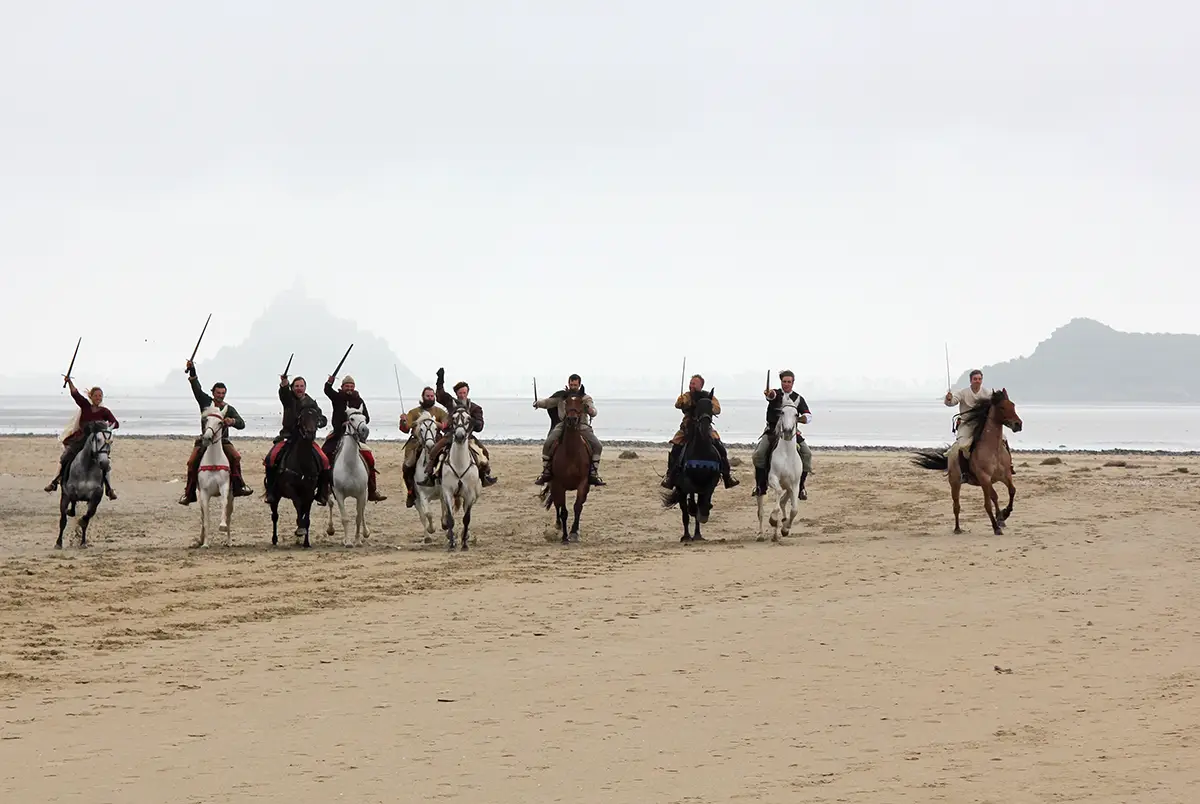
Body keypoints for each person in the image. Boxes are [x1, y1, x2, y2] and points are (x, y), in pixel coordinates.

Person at [177, 360, 253, 505]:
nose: (220, 396)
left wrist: (232, 421)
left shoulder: (228, 408)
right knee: (191, 462)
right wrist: (192, 370)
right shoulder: (205, 402)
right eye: (218, 393)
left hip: (222, 441)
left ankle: (239, 485)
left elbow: (242, 423)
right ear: (213, 393)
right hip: (204, 440)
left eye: (223, 393)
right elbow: (196, 387)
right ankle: (189, 493)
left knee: (236, 457)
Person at [661, 374, 739, 490]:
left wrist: (707, 406)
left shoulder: (709, 396)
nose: (691, 385)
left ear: (700, 385)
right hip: (688, 427)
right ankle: (670, 476)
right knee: (676, 448)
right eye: (690, 383)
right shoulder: (687, 396)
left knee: (719, 446)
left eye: (694, 383)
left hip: (705, 426)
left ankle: (727, 476)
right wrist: (681, 402)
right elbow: (679, 405)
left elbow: (717, 409)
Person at [45, 378, 119, 499]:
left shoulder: (105, 411)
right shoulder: (85, 406)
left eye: (100, 396)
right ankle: (55, 482)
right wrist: (69, 382)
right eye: (96, 395)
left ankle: (109, 489)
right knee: (65, 456)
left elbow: (115, 423)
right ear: (91, 396)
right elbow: (75, 394)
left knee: (105, 462)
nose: (98, 398)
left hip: (96, 441)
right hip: (81, 439)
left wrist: (106, 427)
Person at [264, 374, 332, 505]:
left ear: (305, 387)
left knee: (324, 460)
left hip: (306, 440)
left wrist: (317, 422)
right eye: (296, 386)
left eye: (301, 386)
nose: (299, 389)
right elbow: (283, 393)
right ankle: (271, 491)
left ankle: (322, 492)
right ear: (292, 387)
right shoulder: (288, 398)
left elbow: (322, 419)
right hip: (287, 437)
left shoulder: (311, 403)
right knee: (270, 458)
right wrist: (283, 384)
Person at [422, 368, 498, 487]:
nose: (462, 395)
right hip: (450, 436)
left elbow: (480, 426)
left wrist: (475, 422)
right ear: (456, 394)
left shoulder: (475, 408)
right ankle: (430, 476)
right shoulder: (450, 403)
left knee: (484, 453)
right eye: (460, 393)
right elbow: (440, 395)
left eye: (464, 393)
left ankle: (485, 477)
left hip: (468, 437)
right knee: (434, 451)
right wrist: (440, 380)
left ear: (467, 393)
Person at [321, 374, 386, 502]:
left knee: (369, 458)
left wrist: (357, 422)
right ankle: (325, 489)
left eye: (351, 386)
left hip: (356, 437)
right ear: (342, 386)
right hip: (338, 434)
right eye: (347, 386)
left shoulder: (359, 400)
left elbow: (366, 417)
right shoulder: (337, 397)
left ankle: (372, 490)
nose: (349, 388)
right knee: (324, 456)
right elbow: (327, 390)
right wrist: (329, 382)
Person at [751, 369, 814, 499]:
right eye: (784, 381)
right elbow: (770, 396)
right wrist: (769, 394)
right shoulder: (777, 394)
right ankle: (760, 486)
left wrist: (800, 419)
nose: (786, 384)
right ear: (781, 382)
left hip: (791, 433)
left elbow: (808, 415)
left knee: (807, 453)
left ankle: (801, 487)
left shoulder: (798, 398)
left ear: (793, 382)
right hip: (773, 431)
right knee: (759, 454)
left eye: (789, 382)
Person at [533, 373, 604, 486]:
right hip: (564, 424)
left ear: (579, 385)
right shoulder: (562, 396)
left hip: (582, 426)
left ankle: (593, 473)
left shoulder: (586, 398)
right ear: (568, 384)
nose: (573, 387)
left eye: (575, 385)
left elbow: (594, 411)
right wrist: (538, 403)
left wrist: (590, 410)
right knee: (548, 443)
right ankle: (546, 472)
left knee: (598, 446)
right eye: (571, 384)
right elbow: (548, 402)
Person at [943, 368, 1014, 472]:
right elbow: (952, 402)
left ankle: (1009, 465)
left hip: (983, 424)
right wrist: (948, 399)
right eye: (975, 379)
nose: (977, 381)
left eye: (979, 379)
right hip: (966, 424)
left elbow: (996, 403)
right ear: (971, 380)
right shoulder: (963, 393)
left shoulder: (987, 393)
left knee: (1003, 438)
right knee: (962, 445)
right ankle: (964, 471)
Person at [397, 386, 448, 507]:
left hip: (436, 441)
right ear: (423, 397)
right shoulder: (414, 412)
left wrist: (437, 424)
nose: (430, 398)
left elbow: (446, 425)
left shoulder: (440, 412)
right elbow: (405, 428)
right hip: (417, 443)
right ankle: (411, 492)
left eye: (432, 396)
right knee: (407, 466)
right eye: (428, 396)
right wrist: (403, 421)